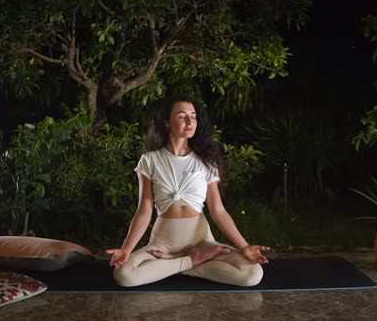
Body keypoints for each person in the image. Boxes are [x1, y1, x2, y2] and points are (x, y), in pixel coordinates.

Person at [105, 94, 270, 287]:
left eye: (193, 116)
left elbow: (218, 211)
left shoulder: (206, 162)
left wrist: (245, 247)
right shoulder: (149, 160)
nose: (190, 121)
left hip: (201, 240)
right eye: (182, 116)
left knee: (252, 274)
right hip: (163, 242)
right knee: (124, 275)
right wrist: (126, 250)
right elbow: (144, 210)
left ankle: (172, 263)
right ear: (167, 122)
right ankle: (192, 261)